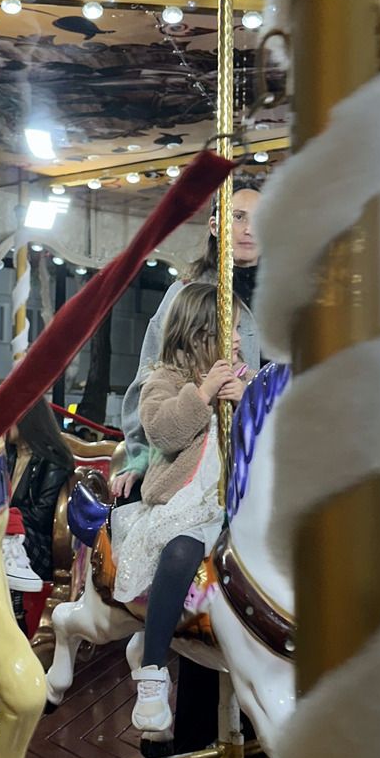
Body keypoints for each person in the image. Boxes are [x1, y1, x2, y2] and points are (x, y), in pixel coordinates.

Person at [111, 283, 248, 733]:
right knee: (179, 553)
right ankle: (152, 671)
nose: (239, 341)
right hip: (185, 507)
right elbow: (163, 433)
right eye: (230, 332)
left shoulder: (244, 381)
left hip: (233, 506)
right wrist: (204, 392)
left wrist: (247, 404)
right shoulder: (165, 380)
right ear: (198, 334)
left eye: (240, 332)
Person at [115, 184, 262, 499]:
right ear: (215, 225)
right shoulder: (186, 295)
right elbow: (150, 377)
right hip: (191, 457)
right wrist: (138, 456)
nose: (250, 229)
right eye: (238, 217)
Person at [3, 400, 75, 597]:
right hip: (8, 532)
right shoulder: (7, 456)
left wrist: (2, 517)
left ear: (28, 419)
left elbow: (41, 516)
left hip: (40, 543)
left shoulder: (52, 459)